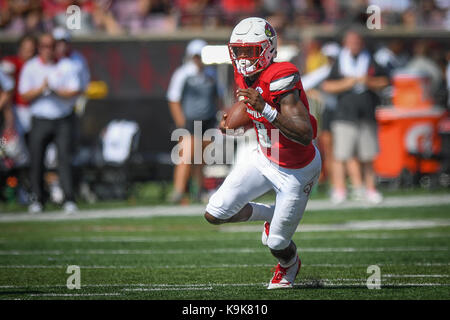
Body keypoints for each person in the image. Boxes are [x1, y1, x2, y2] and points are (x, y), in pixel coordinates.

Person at [204, 17, 321, 289]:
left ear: (267, 49)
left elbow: (305, 135)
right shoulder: (244, 74)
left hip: (296, 169)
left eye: (250, 51)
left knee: (278, 243)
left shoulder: (282, 75)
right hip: (264, 158)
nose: (243, 58)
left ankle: (289, 265)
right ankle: (270, 214)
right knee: (214, 213)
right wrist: (233, 124)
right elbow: (251, 106)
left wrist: (266, 110)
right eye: (239, 51)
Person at [322, 30, 389, 204]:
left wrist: (368, 81)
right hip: (344, 115)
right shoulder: (339, 62)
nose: (354, 45)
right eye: (350, 41)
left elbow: (385, 82)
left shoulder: (372, 59)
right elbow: (327, 86)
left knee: (368, 156)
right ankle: (339, 189)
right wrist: (348, 83)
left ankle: (370, 189)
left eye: (356, 41)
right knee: (341, 156)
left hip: (367, 115)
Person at [18, 33, 81, 214]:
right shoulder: (30, 67)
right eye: (44, 46)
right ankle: (38, 199)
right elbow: (23, 95)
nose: (48, 50)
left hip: (63, 119)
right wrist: (41, 89)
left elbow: (74, 91)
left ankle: (69, 198)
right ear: (39, 48)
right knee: (37, 160)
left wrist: (54, 90)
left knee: (64, 160)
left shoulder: (67, 65)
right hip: (40, 119)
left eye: (51, 46)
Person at [166, 39, 220, 204]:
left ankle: (199, 190)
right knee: (187, 155)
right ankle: (179, 191)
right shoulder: (183, 74)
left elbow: (217, 97)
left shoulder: (211, 74)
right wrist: (182, 123)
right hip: (190, 121)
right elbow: (173, 99)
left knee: (201, 158)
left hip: (208, 121)